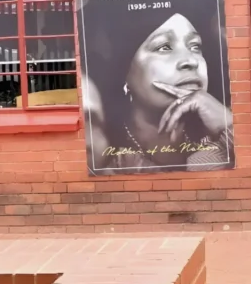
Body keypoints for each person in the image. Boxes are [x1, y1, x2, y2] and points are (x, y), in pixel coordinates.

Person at [90, 10, 233, 173]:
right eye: (164, 47)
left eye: (195, 46)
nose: (191, 61)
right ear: (125, 71)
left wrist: (227, 126)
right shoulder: (103, 148)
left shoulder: (223, 128)